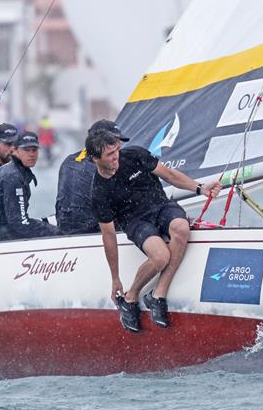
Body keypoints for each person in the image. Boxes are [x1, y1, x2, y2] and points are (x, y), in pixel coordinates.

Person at [85, 128, 221, 333]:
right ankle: (130, 298)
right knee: (160, 257)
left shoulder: (135, 155)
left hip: (161, 206)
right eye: (110, 155)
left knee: (181, 228)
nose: (117, 157)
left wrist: (200, 188)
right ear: (95, 158)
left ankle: (158, 295)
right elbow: (109, 236)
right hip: (136, 221)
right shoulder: (99, 192)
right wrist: (115, 278)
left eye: (117, 151)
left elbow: (170, 175)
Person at [0, 131, 61, 243]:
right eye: (26, 150)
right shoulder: (13, 177)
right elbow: (19, 223)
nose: (31, 154)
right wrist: (57, 232)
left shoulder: (10, 171)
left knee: (52, 222)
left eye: (34, 150)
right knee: (58, 230)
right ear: (14, 151)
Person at [55, 119, 129, 235]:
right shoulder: (105, 163)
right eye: (114, 141)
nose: (119, 146)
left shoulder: (69, 160)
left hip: (65, 230)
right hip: (93, 233)